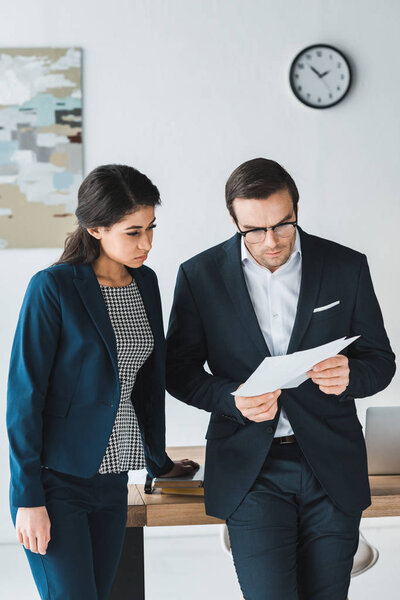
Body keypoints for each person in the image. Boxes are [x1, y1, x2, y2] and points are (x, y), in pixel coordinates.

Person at [165, 157, 396, 600]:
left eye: (282, 224)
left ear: (296, 210)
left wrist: (351, 376)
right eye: (254, 230)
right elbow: (178, 370)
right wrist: (231, 398)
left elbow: (380, 361)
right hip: (251, 471)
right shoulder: (200, 276)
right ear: (233, 220)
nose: (271, 241)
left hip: (331, 466)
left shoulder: (346, 266)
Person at [7, 164, 198, 600]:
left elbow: (146, 384)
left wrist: (159, 461)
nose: (146, 243)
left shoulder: (145, 283)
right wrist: (26, 498)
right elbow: (24, 398)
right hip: (56, 484)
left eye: (151, 228)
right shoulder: (52, 287)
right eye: (133, 232)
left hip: (114, 481)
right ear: (95, 228)